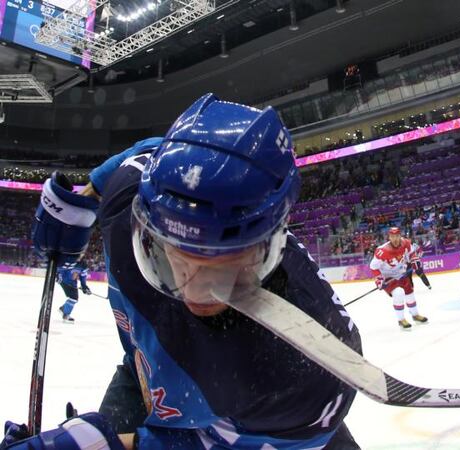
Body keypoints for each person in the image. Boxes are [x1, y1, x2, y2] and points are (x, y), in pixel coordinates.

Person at [5, 94, 362, 449]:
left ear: (269, 246)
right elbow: (150, 151)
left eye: (225, 264)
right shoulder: (124, 196)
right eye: (175, 255)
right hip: (145, 371)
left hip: (252, 427)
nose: (195, 291)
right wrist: (90, 192)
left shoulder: (300, 374)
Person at [369, 227, 428, 329]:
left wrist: (415, 262)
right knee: (398, 293)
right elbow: (373, 267)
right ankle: (401, 320)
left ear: (400, 236)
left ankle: (415, 315)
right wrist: (379, 280)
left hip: (401, 273)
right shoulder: (382, 251)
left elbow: (412, 254)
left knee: (410, 292)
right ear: (389, 237)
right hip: (388, 277)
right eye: (392, 236)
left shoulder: (406, 243)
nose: (395, 239)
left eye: (397, 236)